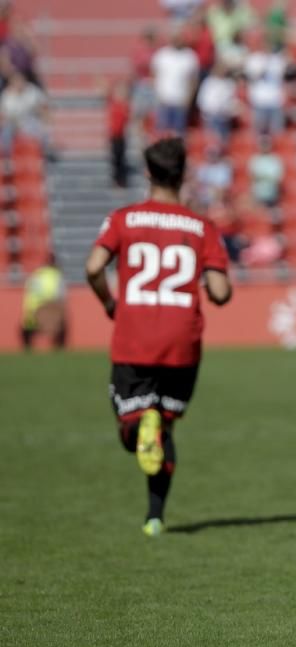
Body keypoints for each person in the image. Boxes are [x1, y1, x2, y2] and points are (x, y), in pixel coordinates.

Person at [84, 137, 232, 537]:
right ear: (183, 175)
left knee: (133, 427)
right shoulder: (202, 227)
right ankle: (155, 517)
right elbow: (220, 293)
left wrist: (109, 303)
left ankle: (139, 424)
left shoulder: (124, 219)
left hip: (134, 337)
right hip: (182, 343)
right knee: (164, 430)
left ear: (148, 173)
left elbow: (94, 267)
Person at [21, 254, 67, 351]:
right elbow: (61, 296)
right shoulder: (57, 275)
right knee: (62, 326)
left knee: (26, 328)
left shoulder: (37, 274)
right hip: (51, 308)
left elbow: (29, 291)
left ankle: (27, 350)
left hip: (34, 309)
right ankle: (59, 349)